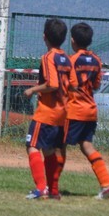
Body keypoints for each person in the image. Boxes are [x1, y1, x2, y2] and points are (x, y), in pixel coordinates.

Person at [22, 18, 75, 200]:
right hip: (62, 112)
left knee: (32, 146)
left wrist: (33, 90)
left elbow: (52, 84)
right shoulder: (67, 58)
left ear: (44, 36)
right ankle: (53, 191)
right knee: (50, 150)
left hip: (47, 111)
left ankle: (41, 188)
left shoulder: (48, 57)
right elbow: (73, 85)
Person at [66, 22, 109, 199]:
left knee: (58, 145)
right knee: (87, 145)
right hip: (90, 110)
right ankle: (107, 184)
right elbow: (96, 85)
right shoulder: (96, 60)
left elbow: (70, 85)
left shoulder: (71, 60)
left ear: (72, 40)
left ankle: (52, 186)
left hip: (74, 109)